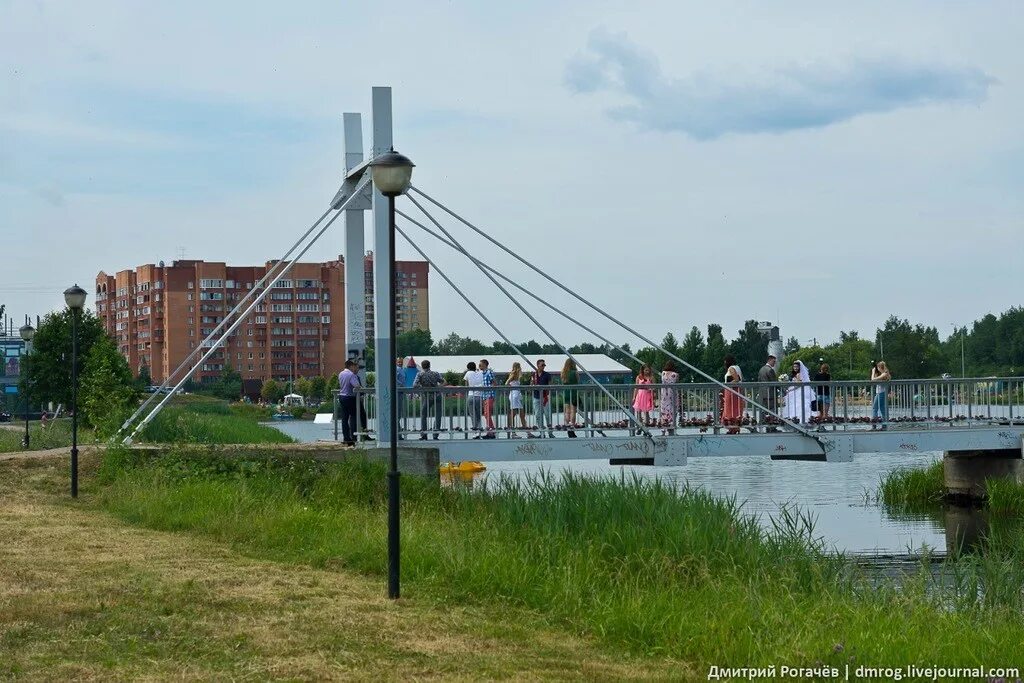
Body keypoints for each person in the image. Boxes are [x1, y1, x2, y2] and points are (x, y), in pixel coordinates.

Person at [412, 359, 444, 440]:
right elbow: (443, 382)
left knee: (423, 415)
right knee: (438, 415)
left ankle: (424, 434)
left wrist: (423, 388)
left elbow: (414, 385)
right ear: (429, 365)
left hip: (426, 396)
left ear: (422, 366)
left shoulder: (420, 374)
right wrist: (438, 387)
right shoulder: (435, 373)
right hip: (437, 395)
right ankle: (435, 435)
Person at [337, 360, 362, 446]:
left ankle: (346, 437)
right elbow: (357, 386)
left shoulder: (341, 374)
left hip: (341, 396)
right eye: (354, 366)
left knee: (344, 418)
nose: (355, 368)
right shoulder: (351, 375)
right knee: (354, 416)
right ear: (351, 366)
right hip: (349, 397)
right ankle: (353, 436)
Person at [721, 354, 744, 434]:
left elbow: (736, 379)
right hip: (737, 391)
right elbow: (741, 379)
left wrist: (727, 384)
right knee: (736, 409)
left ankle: (732, 427)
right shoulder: (738, 367)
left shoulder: (731, 368)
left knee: (730, 409)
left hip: (731, 391)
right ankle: (736, 426)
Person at [531, 359, 554, 438]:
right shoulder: (534, 374)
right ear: (538, 365)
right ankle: (541, 432)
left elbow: (550, 385)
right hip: (536, 397)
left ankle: (550, 433)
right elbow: (531, 384)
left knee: (548, 415)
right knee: (538, 415)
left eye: (544, 365)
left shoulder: (547, 375)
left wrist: (547, 393)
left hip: (545, 397)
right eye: (542, 365)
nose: (543, 366)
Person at [756, 354, 779, 431]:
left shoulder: (761, 369)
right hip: (770, 394)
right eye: (773, 361)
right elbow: (774, 382)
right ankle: (772, 427)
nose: (774, 363)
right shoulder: (770, 370)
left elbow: (759, 381)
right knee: (772, 410)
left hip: (763, 394)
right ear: (769, 360)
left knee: (764, 411)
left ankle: (764, 425)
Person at [506, 361, 527, 436]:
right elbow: (507, 382)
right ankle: (512, 430)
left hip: (517, 395)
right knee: (513, 413)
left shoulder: (517, 374)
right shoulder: (514, 373)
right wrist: (511, 388)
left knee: (522, 413)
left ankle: (527, 431)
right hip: (514, 395)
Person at [632, 364, 655, 431]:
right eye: (646, 370)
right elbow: (636, 388)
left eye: (648, 370)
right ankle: (639, 425)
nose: (647, 372)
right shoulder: (639, 377)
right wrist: (634, 396)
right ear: (643, 370)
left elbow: (654, 387)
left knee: (646, 411)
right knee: (639, 411)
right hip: (640, 394)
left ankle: (646, 425)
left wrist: (653, 394)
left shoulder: (651, 377)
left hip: (647, 394)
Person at [560, 358, 579, 438]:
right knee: (573, 411)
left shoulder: (563, 373)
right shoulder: (575, 372)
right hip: (574, 393)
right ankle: (572, 428)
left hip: (566, 393)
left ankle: (568, 427)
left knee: (567, 412)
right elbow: (577, 381)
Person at [660, 361, 679, 435]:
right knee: (673, 410)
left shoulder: (663, 373)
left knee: (664, 410)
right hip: (672, 393)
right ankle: (672, 428)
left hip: (664, 393)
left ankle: (663, 429)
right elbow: (676, 382)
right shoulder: (675, 374)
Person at [463, 361, 483, 435]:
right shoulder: (480, 373)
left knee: (472, 414)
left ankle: (475, 430)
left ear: (468, 368)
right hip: (479, 396)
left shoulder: (468, 373)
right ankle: (479, 429)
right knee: (479, 414)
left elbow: (466, 384)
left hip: (471, 395)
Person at [871, 360, 891, 428]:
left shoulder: (884, 374)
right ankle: (884, 425)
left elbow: (873, 380)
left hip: (881, 393)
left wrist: (873, 372)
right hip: (882, 393)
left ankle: (874, 425)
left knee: (874, 408)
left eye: (878, 367)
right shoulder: (885, 374)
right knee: (882, 409)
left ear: (880, 367)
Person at [479, 359, 496, 438]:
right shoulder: (481, 374)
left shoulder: (489, 372)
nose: (479, 366)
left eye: (481, 364)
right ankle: (491, 430)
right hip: (484, 396)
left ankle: (491, 430)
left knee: (487, 413)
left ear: (485, 365)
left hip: (489, 395)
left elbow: (494, 383)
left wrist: (491, 392)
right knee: (486, 414)